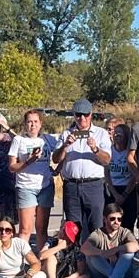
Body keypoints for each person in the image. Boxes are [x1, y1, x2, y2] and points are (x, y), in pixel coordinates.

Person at [53, 99, 113, 238]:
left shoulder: (101, 133)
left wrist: (95, 149)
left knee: (96, 226)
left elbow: (107, 160)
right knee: (73, 228)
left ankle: (96, 258)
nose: (82, 119)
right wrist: (65, 145)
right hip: (72, 186)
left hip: (94, 185)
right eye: (78, 115)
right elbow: (56, 159)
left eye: (85, 115)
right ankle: (76, 258)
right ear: (74, 115)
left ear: (91, 114)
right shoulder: (66, 134)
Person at [9, 109, 56, 247]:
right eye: (29, 122)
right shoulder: (19, 140)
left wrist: (58, 169)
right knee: (25, 229)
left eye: (35, 122)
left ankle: (41, 260)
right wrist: (28, 161)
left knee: (42, 229)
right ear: (25, 124)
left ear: (41, 123)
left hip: (45, 186)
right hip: (25, 187)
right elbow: (12, 167)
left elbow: (63, 150)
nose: (33, 125)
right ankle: (21, 262)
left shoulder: (48, 139)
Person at [83, 207, 139, 278]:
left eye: (119, 219)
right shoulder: (98, 233)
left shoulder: (124, 232)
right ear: (104, 219)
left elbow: (136, 246)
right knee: (92, 254)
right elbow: (84, 248)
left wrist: (115, 249)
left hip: (123, 273)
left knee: (128, 252)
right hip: (101, 277)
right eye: (112, 219)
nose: (116, 221)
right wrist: (102, 253)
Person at [106, 121, 134, 214]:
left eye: (120, 133)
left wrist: (125, 194)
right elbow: (107, 173)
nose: (117, 135)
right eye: (115, 133)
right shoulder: (109, 150)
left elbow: (134, 175)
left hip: (128, 190)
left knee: (128, 220)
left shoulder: (130, 152)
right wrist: (114, 193)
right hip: (112, 189)